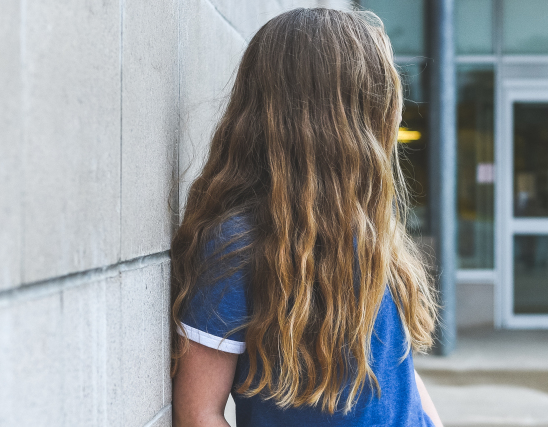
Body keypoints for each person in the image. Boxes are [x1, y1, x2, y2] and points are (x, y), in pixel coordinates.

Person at [169, 7, 444, 427]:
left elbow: (396, 371)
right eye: (381, 97)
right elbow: (198, 413)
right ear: (348, 117)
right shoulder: (239, 245)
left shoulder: (368, 226)